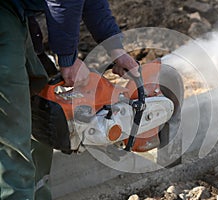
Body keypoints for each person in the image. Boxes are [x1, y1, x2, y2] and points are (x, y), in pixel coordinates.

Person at [0, 0, 139, 199]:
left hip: (14, 13)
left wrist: (115, 49)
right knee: (10, 134)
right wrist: (68, 59)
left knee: (38, 99)